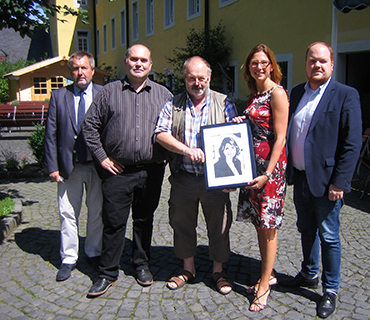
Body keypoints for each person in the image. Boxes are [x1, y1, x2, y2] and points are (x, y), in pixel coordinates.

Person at [82, 44, 173, 298]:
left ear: (150, 65)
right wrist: (102, 158)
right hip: (117, 172)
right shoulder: (109, 92)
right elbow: (89, 127)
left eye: (144, 60)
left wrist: (165, 155)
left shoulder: (164, 94)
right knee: (113, 223)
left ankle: (141, 265)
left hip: (151, 171)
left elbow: (175, 128)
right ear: (126, 62)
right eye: (134, 59)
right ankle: (107, 273)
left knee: (144, 220)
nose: (139, 64)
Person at [280, 42, 362, 318]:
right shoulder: (297, 91)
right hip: (300, 177)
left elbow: (351, 144)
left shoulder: (346, 95)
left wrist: (340, 182)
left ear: (332, 64)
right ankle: (309, 272)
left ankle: (331, 289)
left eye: (323, 61)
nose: (317, 65)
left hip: (327, 182)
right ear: (306, 63)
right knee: (305, 228)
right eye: (312, 60)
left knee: (328, 235)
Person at [155, 56, 238, 295]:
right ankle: (187, 269)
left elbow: (235, 137)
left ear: (209, 78)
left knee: (220, 226)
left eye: (202, 78)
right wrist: (186, 150)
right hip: (183, 177)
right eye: (192, 78)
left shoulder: (224, 103)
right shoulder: (174, 104)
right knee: (181, 224)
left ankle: (218, 271)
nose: (197, 82)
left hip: (216, 181)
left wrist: (232, 178)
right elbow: (160, 133)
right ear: (185, 78)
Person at [233, 44, 289, 311]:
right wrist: (239, 121)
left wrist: (267, 173)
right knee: (259, 224)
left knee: (268, 227)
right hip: (252, 168)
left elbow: (280, 138)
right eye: (253, 62)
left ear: (271, 65)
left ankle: (264, 284)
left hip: (270, 171)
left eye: (263, 62)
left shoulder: (277, 93)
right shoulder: (256, 93)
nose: (258, 66)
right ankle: (267, 274)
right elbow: (256, 125)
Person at [44, 51, 104, 281]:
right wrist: (52, 166)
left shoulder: (102, 94)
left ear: (92, 70)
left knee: (97, 211)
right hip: (69, 167)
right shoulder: (59, 96)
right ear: (71, 72)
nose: (80, 72)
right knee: (67, 212)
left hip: (97, 165)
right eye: (76, 68)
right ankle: (68, 258)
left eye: (84, 68)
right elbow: (51, 135)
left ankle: (93, 252)